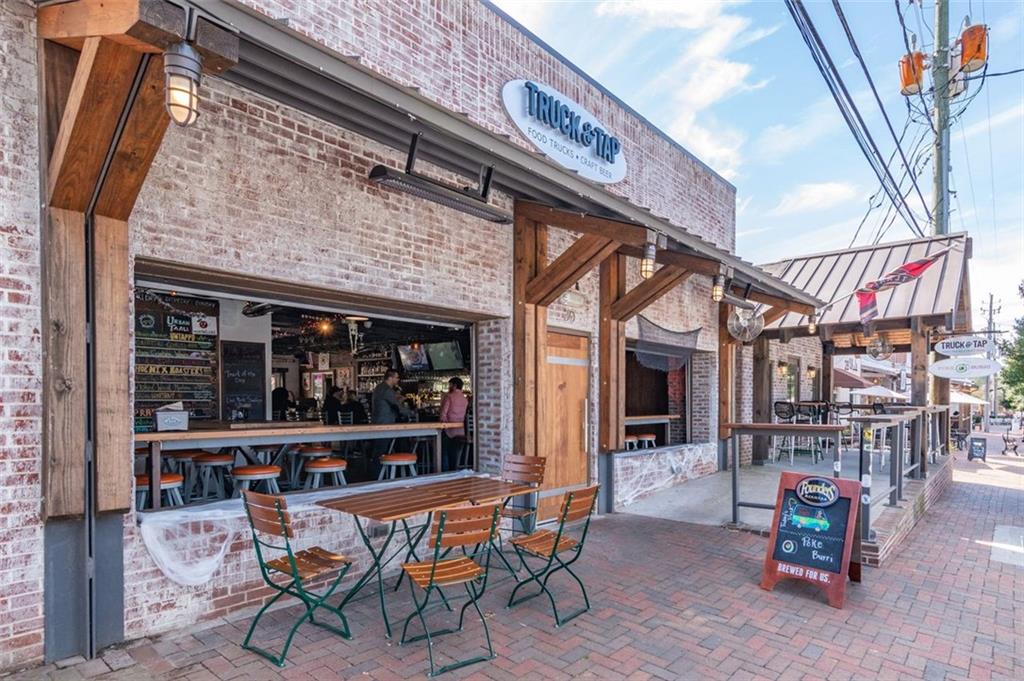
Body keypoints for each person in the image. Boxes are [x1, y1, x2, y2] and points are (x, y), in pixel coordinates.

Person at [370, 370, 412, 477]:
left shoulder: (380, 388)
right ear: (390, 378)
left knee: (379, 450)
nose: (398, 380)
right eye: (396, 377)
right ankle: (378, 476)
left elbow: (393, 401)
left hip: (378, 421)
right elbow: (397, 406)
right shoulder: (387, 390)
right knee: (381, 450)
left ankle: (379, 475)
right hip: (384, 423)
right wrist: (411, 412)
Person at [439, 377, 469, 471]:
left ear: (454, 385)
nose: (449, 387)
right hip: (461, 432)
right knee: (455, 455)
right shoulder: (465, 400)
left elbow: (443, 414)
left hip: (449, 431)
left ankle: (444, 473)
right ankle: (455, 471)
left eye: (450, 385)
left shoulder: (449, 397)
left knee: (443, 452)